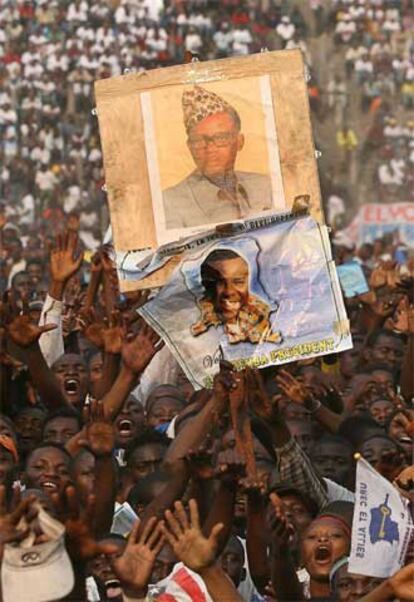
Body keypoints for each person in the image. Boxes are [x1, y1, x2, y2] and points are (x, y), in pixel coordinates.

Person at [162, 85, 274, 229]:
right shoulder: (170, 203)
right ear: (190, 147)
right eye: (199, 141)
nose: (210, 148)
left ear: (239, 142)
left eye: (221, 138)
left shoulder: (265, 186)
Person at [191, 248, 281, 345]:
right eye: (220, 283)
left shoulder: (260, 311)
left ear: (247, 283)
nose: (229, 291)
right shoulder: (195, 315)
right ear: (206, 286)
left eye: (239, 282)